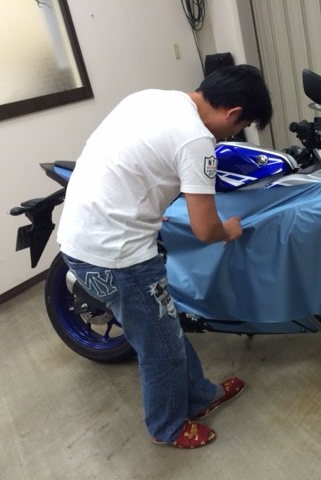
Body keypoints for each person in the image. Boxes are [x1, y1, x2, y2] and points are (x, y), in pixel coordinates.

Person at [57, 65, 272, 448]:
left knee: (163, 329)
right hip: (118, 256)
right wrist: (229, 230)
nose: (233, 135)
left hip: (81, 243)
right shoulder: (196, 140)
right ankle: (167, 427)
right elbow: (205, 229)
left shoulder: (151, 98)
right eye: (240, 126)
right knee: (160, 348)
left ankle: (201, 396)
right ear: (234, 113)